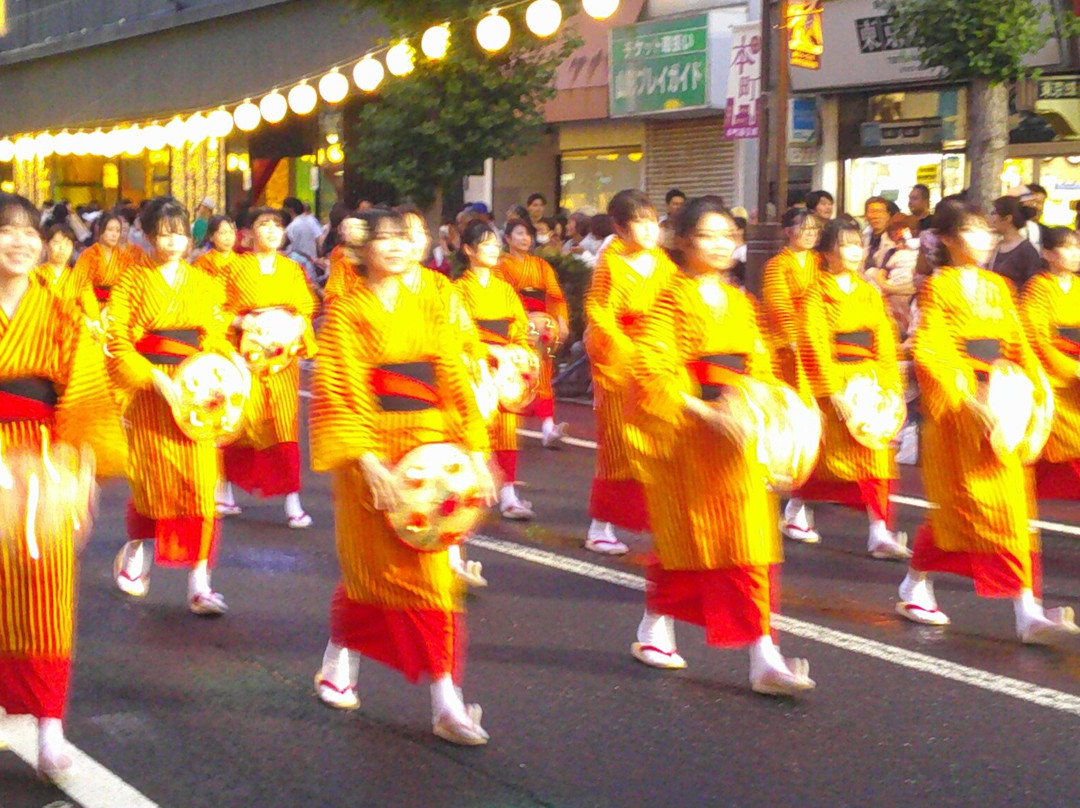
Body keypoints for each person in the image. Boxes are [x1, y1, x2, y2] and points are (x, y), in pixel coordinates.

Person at [310, 208, 496, 744]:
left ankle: (446, 700)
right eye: (383, 239)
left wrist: (476, 455)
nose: (395, 248)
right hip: (371, 450)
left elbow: (454, 381)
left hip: (431, 450)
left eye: (403, 239)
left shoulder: (433, 306)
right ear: (363, 247)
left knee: (434, 579)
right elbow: (338, 392)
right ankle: (338, 657)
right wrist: (367, 461)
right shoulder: (346, 314)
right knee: (372, 573)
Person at [626, 196, 814, 695]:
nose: (721, 245)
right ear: (683, 241)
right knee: (687, 546)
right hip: (692, 438)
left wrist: (777, 416)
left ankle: (763, 655)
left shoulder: (739, 302)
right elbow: (650, 372)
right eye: (707, 235)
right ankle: (653, 626)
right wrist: (706, 411)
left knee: (751, 545)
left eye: (729, 235)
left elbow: (760, 368)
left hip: (740, 439)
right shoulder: (668, 300)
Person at [895, 202, 1078, 643]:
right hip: (963, 415)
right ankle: (915, 583)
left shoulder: (998, 287)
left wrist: (1036, 387)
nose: (983, 240)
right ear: (950, 241)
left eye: (987, 232)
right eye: (972, 233)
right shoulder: (938, 288)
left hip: (1003, 404)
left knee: (1012, 512)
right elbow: (931, 349)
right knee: (965, 512)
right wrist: (964, 396)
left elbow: (1017, 344)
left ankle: (1026, 611)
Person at [0, 195, 126, 780]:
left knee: (47, 594)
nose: (20, 242)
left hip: (43, 458)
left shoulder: (60, 311)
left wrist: (82, 465)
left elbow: (85, 394)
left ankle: (50, 726)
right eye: (5, 231)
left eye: (29, 232)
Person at [107, 197, 237, 616]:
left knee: (201, 490)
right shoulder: (131, 282)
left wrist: (228, 364)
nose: (175, 240)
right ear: (147, 236)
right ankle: (136, 548)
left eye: (181, 232)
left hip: (196, 394)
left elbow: (213, 335)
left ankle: (200, 582)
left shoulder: (201, 283)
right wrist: (152, 377)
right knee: (151, 485)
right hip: (151, 394)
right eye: (165, 232)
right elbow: (118, 342)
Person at [785, 216, 909, 559]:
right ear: (827, 251)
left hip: (868, 380)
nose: (854, 251)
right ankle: (795, 508)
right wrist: (831, 390)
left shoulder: (869, 292)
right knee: (826, 459)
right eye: (845, 244)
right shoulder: (816, 293)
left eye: (858, 243)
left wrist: (890, 388)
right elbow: (813, 341)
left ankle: (879, 531)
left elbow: (884, 339)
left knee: (876, 458)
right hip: (837, 379)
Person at [584, 190, 677, 555]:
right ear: (621, 228)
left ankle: (658, 518)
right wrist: (627, 353)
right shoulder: (611, 264)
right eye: (640, 222)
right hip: (620, 363)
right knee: (618, 446)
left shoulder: (662, 262)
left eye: (653, 221)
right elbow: (601, 314)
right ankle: (600, 524)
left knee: (661, 440)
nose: (651, 229)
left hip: (657, 357)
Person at [217, 208, 317, 528]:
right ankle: (226, 488)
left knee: (284, 424)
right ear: (248, 234)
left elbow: (306, 306)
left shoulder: (292, 269)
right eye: (264, 225)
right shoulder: (235, 268)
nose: (273, 231)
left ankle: (292, 499)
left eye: (277, 225)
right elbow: (216, 307)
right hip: (247, 354)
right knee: (243, 420)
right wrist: (239, 320)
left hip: (282, 355)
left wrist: (297, 326)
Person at [457, 219, 534, 522]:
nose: (493, 249)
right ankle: (468, 488)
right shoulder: (457, 290)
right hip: (474, 367)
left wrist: (517, 353)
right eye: (485, 244)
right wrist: (488, 353)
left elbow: (518, 329)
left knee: (507, 433)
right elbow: (458, 331)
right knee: (473, 428)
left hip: (506, 369)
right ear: (468, 250)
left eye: (494, 244)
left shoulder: (505, 290)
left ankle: (509, 495)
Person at [496, 218, 570, 447]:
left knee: (544, 374)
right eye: (519, 234)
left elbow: (555, 296)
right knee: (517, 375)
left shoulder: (541, 265)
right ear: (507, 239)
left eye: (528, 234)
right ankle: (503, 428)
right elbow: (503, 296)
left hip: (543, 327)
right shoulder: (501, 266)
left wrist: (561, 321)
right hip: (517, 324)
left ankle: (548, 426)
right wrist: (521, 319)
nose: (525, 238)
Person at [1021, 227, 1080, 500]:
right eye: (1066, 248)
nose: (1074, 254)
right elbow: (1038, 338)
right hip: (1053, 374)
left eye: (1076, 248)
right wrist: (1071, 369)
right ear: (1047, 253)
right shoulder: (1039, 287)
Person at [760, 207, 822, 398]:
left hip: (818, 331)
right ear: (788, 232)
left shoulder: (820, 261)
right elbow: (778, 303)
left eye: (815, 228)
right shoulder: (777, 265)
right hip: (789, 337)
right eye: (805, 228)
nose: (811, 233)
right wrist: (794, 338)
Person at [34, 223, 100, 322]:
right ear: (46, 245)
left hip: (71, 329)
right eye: (57, 243)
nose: (62, 248)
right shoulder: (35, 275)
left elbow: (92, 312)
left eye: (67, 244)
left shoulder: (80, 279)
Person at [73, 212, 128, 307]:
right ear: (100, 230)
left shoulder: (125, 258)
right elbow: (82, 285)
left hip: (117, 306)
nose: (114, 235)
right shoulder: (88, 255)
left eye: (117, 231)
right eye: (110, 230)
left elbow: (127, 286)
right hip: (89, 305)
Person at [989, 195, 1043, 292]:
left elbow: (1033, 287)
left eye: (994, 213)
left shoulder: (1027, 251)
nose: (991, 218)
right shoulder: (994, 247)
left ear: (1008, 219)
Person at [323, 212, 366, 308]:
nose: (349, 231)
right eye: (345, 228)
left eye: (355, 227)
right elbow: (333, 294)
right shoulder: (339, 254)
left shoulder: (373, 257)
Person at [283, 197, 322, 281]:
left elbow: (287, 248)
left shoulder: (291, 227)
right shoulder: (311, 220)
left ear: (290, 209)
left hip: (295, 265)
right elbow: (320, 240)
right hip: (312, 264)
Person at [192, 215, 239, 284]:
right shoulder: (204, 262)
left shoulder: (240, 261)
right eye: (223, 233)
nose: (228, 238)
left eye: (231, 232)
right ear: (211, 237)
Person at [862, 197, 895, 271]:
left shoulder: (895, 238)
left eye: (880, 211)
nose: (876, 216)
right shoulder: (862, 236)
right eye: (872, 211)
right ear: (866, 215)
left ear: (888, 215)